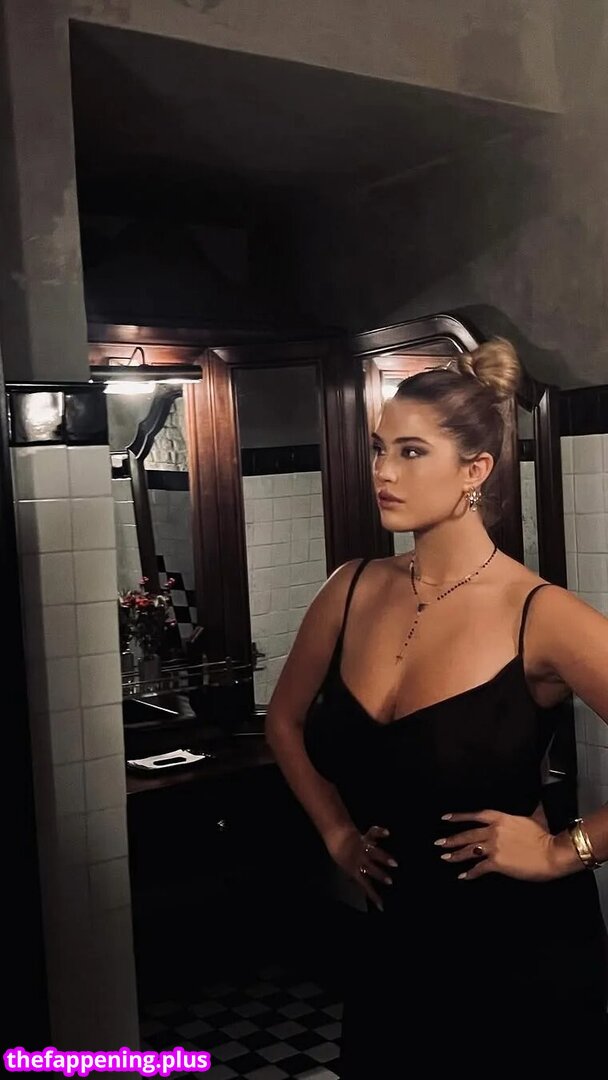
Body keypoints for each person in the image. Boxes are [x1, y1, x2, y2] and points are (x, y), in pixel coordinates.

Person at [264, 339, 608, 1074]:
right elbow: (283, 721)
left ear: (475, 470)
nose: (384, 472)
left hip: (522, 956)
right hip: (395, 947)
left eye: (412, 452)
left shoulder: (539, 613)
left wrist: (563, 850)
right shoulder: (349, 589)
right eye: (379, 449)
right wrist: (336, 833)